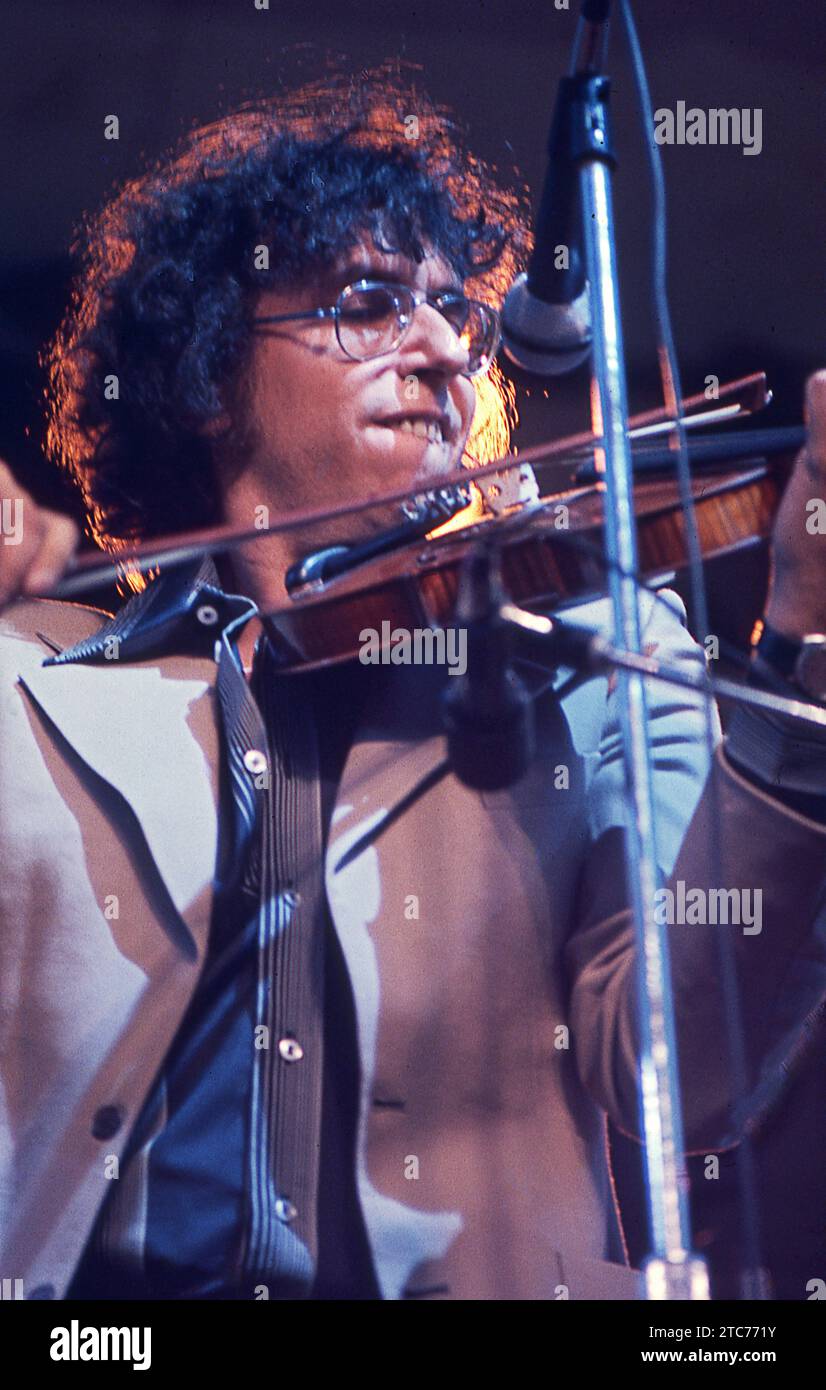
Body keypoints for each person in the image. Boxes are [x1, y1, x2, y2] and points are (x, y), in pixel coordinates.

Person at [1, 72, 825, 1302]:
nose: (445, 351)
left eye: (457, 314)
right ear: (212, 370)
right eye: (372, 303)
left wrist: (801, 647)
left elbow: (685, 1078)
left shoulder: (591, 655)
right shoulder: (28, 683)